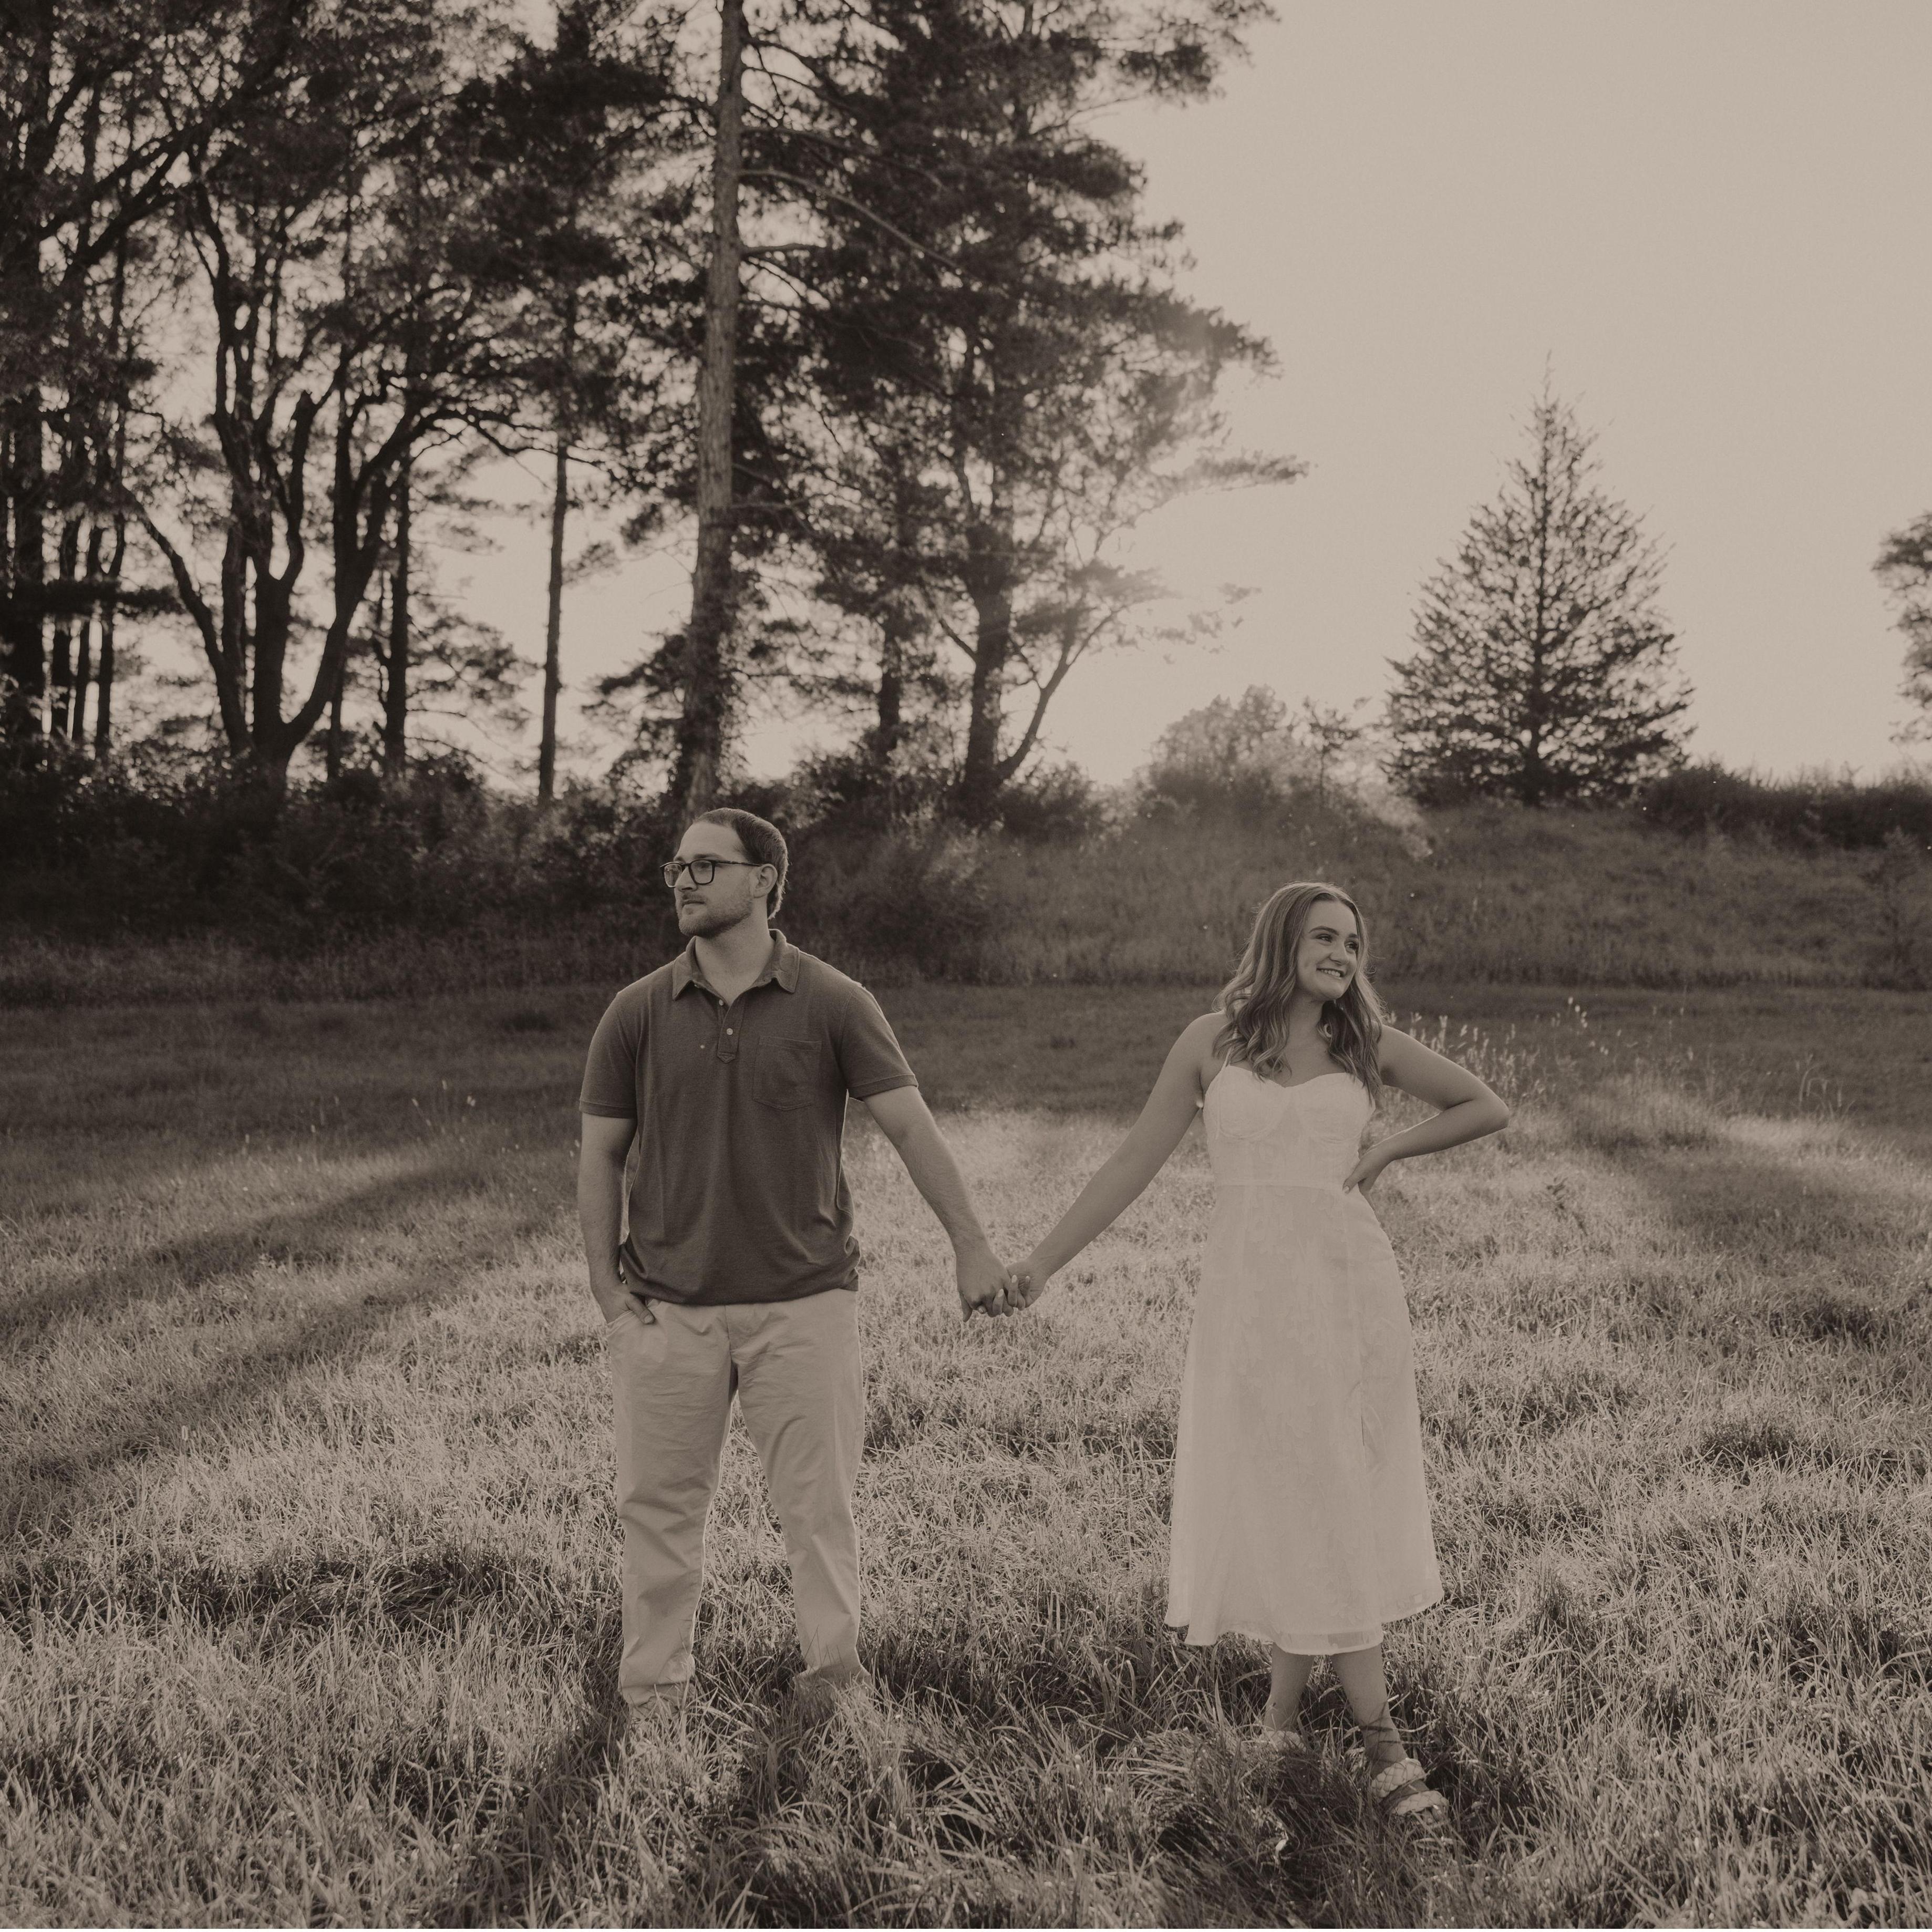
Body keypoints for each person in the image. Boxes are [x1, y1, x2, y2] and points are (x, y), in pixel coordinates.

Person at [1007, 881, 1509, 1840]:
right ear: (1281, 940)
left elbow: (1485, 1105)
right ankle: (1280, 1722)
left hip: (1344, 1290)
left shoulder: (1363, 1042)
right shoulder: (1211, 1041)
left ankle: (1381, 1745)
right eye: (1324, 936)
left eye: (1353, 942)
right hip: (1245, 1300)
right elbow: (1131, 1160)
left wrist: (1385, 1153)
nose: (1342, 954)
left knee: (1330, 1488)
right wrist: (1041, 1262)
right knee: (1285, 1487)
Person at [577, 805, 1013, 1731]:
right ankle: (653, 1696)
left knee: (818, 1510)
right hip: (667, 1310)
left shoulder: (834, 1000)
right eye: (676, 867)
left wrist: (969, 1243)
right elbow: (600, 1154)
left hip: (804, 1304)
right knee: (657, 1510)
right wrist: (608, 1294)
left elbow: (910, 1128)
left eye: (706, 864)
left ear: (765, 879)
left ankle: (833, 1680)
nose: (683, 879)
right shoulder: (637, 1010)